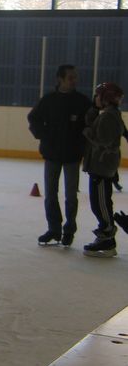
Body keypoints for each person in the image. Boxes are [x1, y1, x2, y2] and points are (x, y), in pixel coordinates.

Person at [27, 65, 93, 247]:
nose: (74, 80)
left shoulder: (82, 101)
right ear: (60, 79)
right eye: (70, 77)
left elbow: (92, 121)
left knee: (71, 195)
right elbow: (33, 118)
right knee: (50, 194)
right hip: (52, 154)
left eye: (75, 77)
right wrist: (44, 135)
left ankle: (69, 230)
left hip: (72, 155)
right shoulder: (49, 100)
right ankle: (54, 229)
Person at [80, 82, 126, 257]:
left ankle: (107, 237)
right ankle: (105, 234)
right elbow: (93, 123)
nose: (95, 98)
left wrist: (88, 134)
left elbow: (103, 141)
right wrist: (93, 109)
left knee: (100, 203)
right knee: (98, 202)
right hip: (100, 165)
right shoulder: (107, 114)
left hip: (101, 166)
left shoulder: (108, 117)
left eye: (97, 95)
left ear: (105, 98)